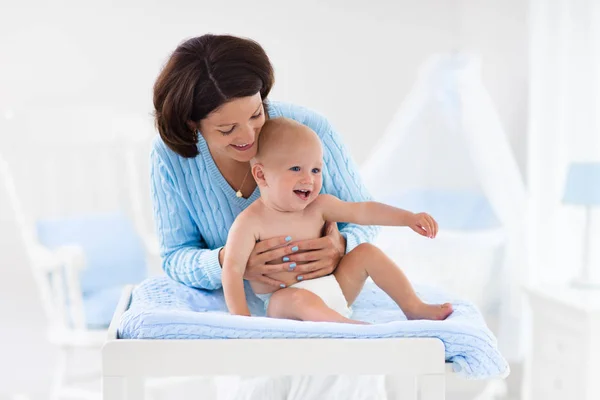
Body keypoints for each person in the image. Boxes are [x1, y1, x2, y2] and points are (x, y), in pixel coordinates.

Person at [150, 33, 393, 399]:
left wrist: (341, 245)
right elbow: (174, 255)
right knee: (256, 384)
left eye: (256, 114)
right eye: (227, 129)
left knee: (342, 369)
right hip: (247, 305)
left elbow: (364, 217)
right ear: (190, 124)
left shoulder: (309, 130)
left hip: (322, 295)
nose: (248, 136)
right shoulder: (172, 157)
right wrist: (229, 261)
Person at [223, 118, 453, 323]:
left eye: (315, 170)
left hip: (334, 288)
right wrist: (243, 321)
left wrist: (408, 218)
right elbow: (232, 269)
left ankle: (413, 306)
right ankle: (347, 328)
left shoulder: (319, 206)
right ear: (261, 175)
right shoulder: (250, 222)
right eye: (296, 168)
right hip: (285, 302)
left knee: (367, 252)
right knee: (296, 298)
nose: (308, 179)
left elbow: (363, 211)